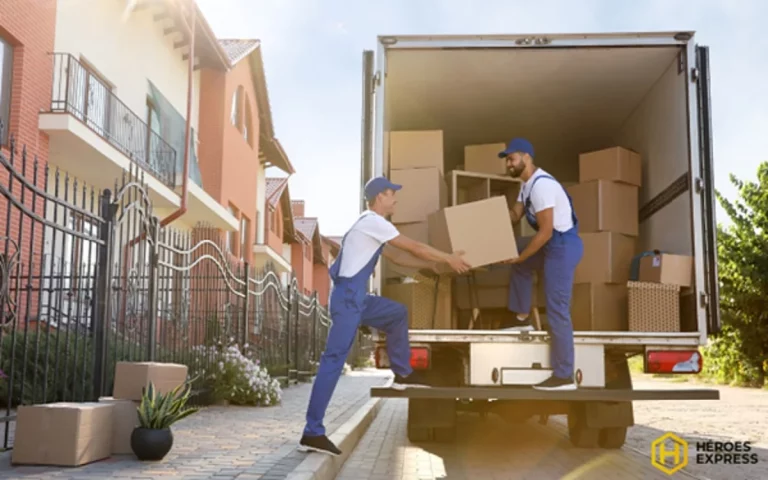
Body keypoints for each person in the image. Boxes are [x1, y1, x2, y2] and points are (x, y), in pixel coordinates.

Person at [298, 176, 471, 456]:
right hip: (348, 299)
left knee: (396, 313)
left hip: (357, 299)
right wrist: (447, 257)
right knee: (333, 361)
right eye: (392, 194)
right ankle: (312, 431)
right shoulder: (372, 221)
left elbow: (400, 259)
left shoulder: (372, 227)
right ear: (380, 197)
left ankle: (402, 373)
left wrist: (435, 266)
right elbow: (412, 247)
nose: (396, 200)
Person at [499, 138, 584, 391]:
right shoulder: (526, 186)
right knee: (518, 258)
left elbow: (545, 231)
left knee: (557, 308)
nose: (508, 163)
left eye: (511, 158)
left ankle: (564, 375)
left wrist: (522, 256)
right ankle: (522, 317)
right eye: (506, 159)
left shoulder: (542, 186)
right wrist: (487, 220)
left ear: (527, 157)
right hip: (551, 243)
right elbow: (515, 215)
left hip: (562, 245)